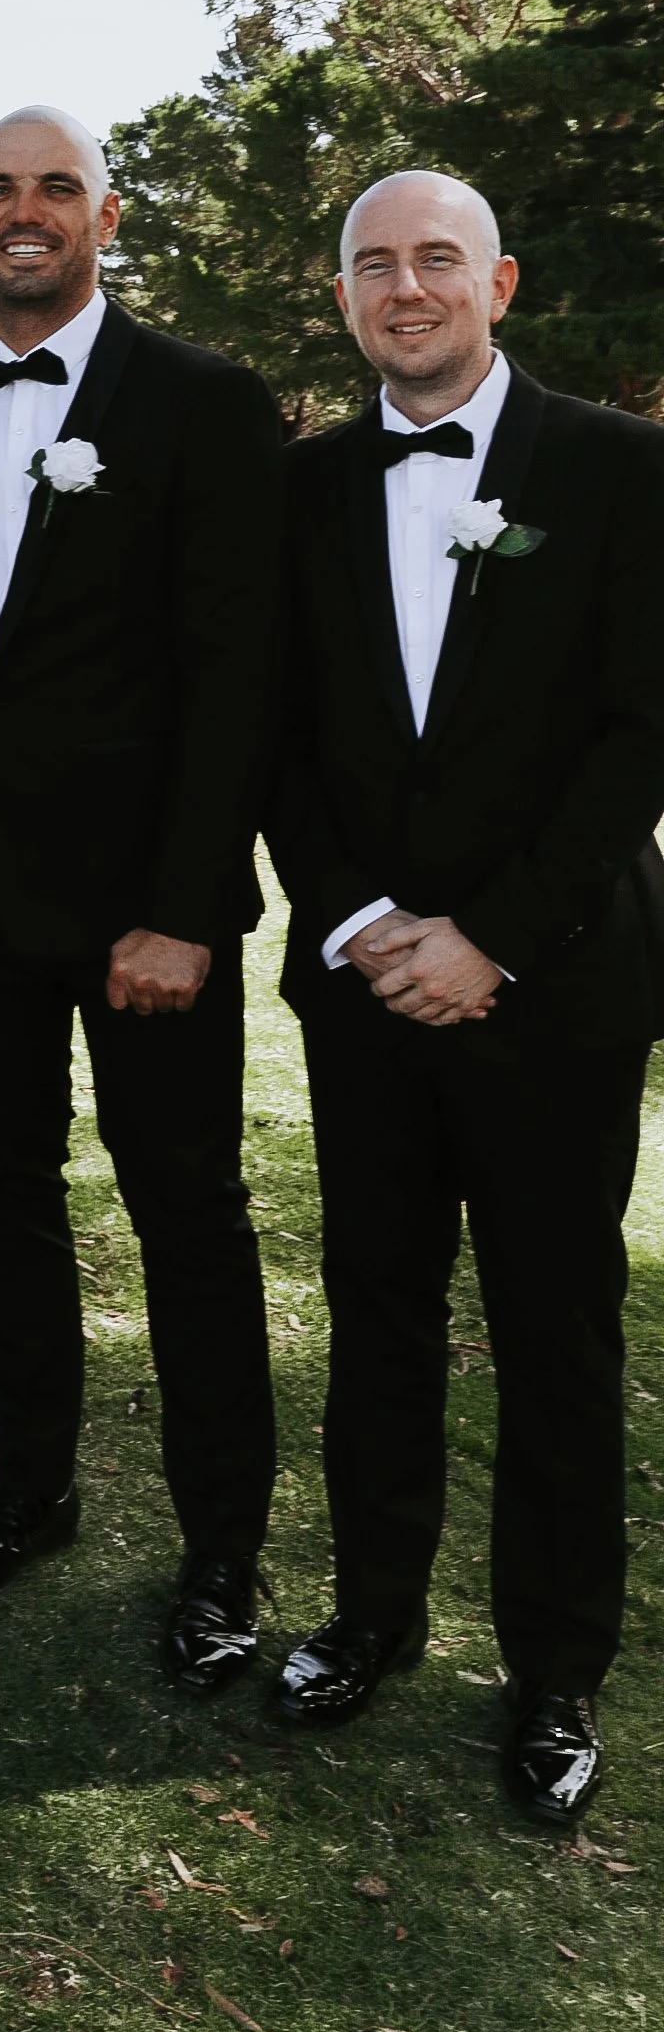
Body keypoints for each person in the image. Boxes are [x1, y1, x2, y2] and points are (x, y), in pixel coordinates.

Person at [266, 170, 664, 1821]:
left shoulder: (623, 470)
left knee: (557, 1327)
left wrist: (488, 936)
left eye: (439, 259)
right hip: (366, 986)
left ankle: (556, 1670)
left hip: (557, 986)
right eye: (376, 265)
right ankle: (370, 1616)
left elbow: (640, 735)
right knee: (378, 1308)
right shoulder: (296, 487)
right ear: (345, 298)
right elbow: (273, 731)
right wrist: (364, 921)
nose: (407, 288)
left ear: (498, 285)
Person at [0, 107, 282, 1690]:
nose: (27, 210)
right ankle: (29, 1489)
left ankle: (223, 1554)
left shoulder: (202, 402)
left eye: (56, 187)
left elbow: (241, 675)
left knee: (187, 1216)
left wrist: (186, 906)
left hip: (150, 914)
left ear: (105, 219)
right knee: (4, 1203)